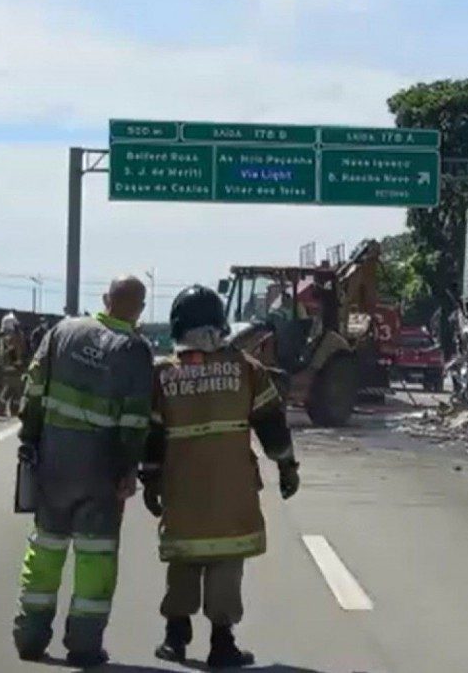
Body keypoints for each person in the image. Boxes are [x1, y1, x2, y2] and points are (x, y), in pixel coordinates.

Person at [142, 285, 298, 668]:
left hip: (181, 489)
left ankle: (175, 636)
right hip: (233, 492)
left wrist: (149, 479)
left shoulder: (163, 375)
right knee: (226, 562)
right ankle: (221, 642)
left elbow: (152, 435)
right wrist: (286, 466)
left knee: (183, 557)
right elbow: (271, 425)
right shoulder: (247, 368)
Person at [12, 276, 153, 667]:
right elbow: (134, 419)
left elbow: (34, 389)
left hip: (54, 462)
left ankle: (30, 635)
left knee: (45, 549)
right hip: (101, 472)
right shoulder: (135, 350)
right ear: (139, 310)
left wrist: (30, 438)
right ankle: (85, 645)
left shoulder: (63, 331)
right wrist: (128, 469)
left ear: (106, 299)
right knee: (95, 557)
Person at [0, 312, 28, 416]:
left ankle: (7, 408)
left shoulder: (6, 336)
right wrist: (18, 361)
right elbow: (13, 350)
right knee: (12, 388)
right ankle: (1, 407)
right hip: (13, 367)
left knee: (13, 389)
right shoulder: (12, 336)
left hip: (11, 367)